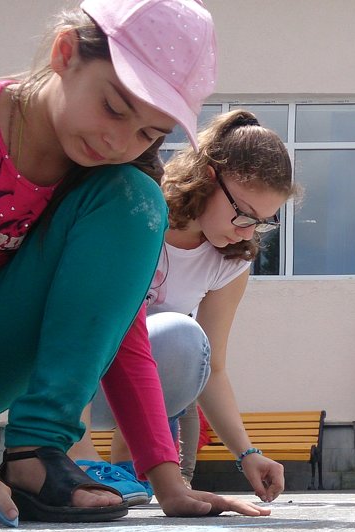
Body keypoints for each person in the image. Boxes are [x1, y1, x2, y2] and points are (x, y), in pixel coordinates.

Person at [0, 0, 269, 528]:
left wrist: (167, 479)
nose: (118, 141)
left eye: (148, 133)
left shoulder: (105, 180)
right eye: (113, 107)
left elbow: (120, 329)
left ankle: (37, 453)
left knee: (135, 196)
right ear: (66, 53)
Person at [66, 109, 293, 505]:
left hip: (129, 391)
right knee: (101, 318)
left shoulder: (230, 261)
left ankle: (127, 469)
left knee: (183, 338)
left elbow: (213, 368)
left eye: (261, 222)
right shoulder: (138, 210)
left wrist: (248, 453)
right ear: (209, 178)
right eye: (242, 214)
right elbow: (77, 317)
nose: (247, 231)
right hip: (65, 379)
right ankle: (76, 457)